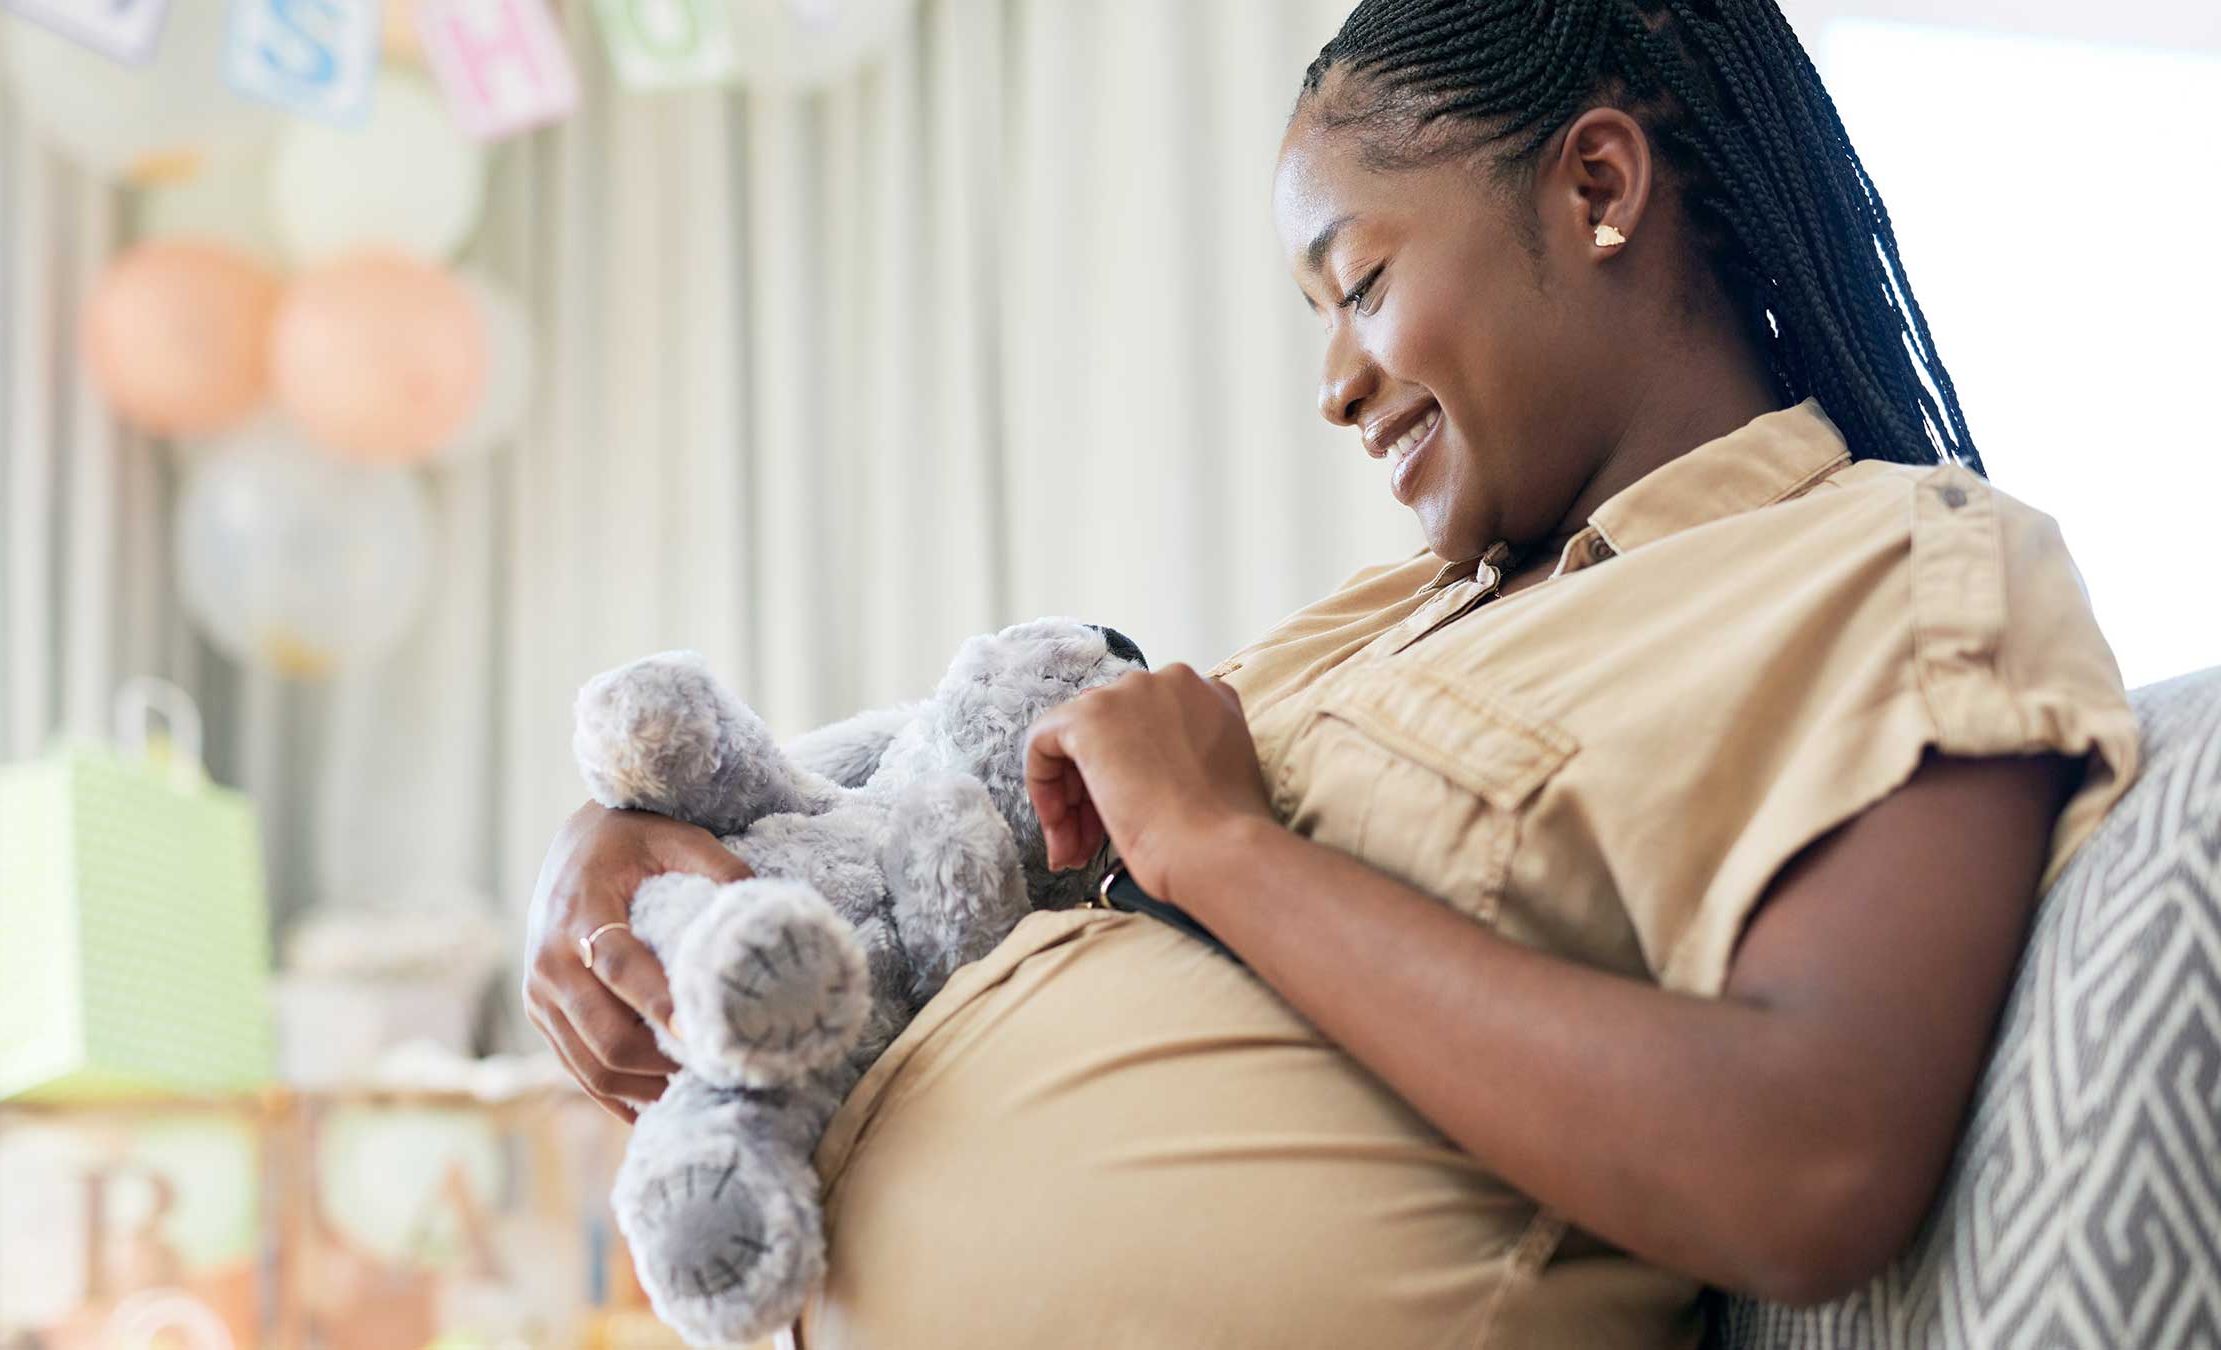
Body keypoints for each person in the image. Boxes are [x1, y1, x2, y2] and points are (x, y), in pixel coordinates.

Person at [523, 1, 2141, 1344]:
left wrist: (1232, 852)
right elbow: (898, 840)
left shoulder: (1894, 569)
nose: (1336, 387)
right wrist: (619, 856)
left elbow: (1811, 1159)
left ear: (1596, 188)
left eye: (1360, 283)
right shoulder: (1387, 616)